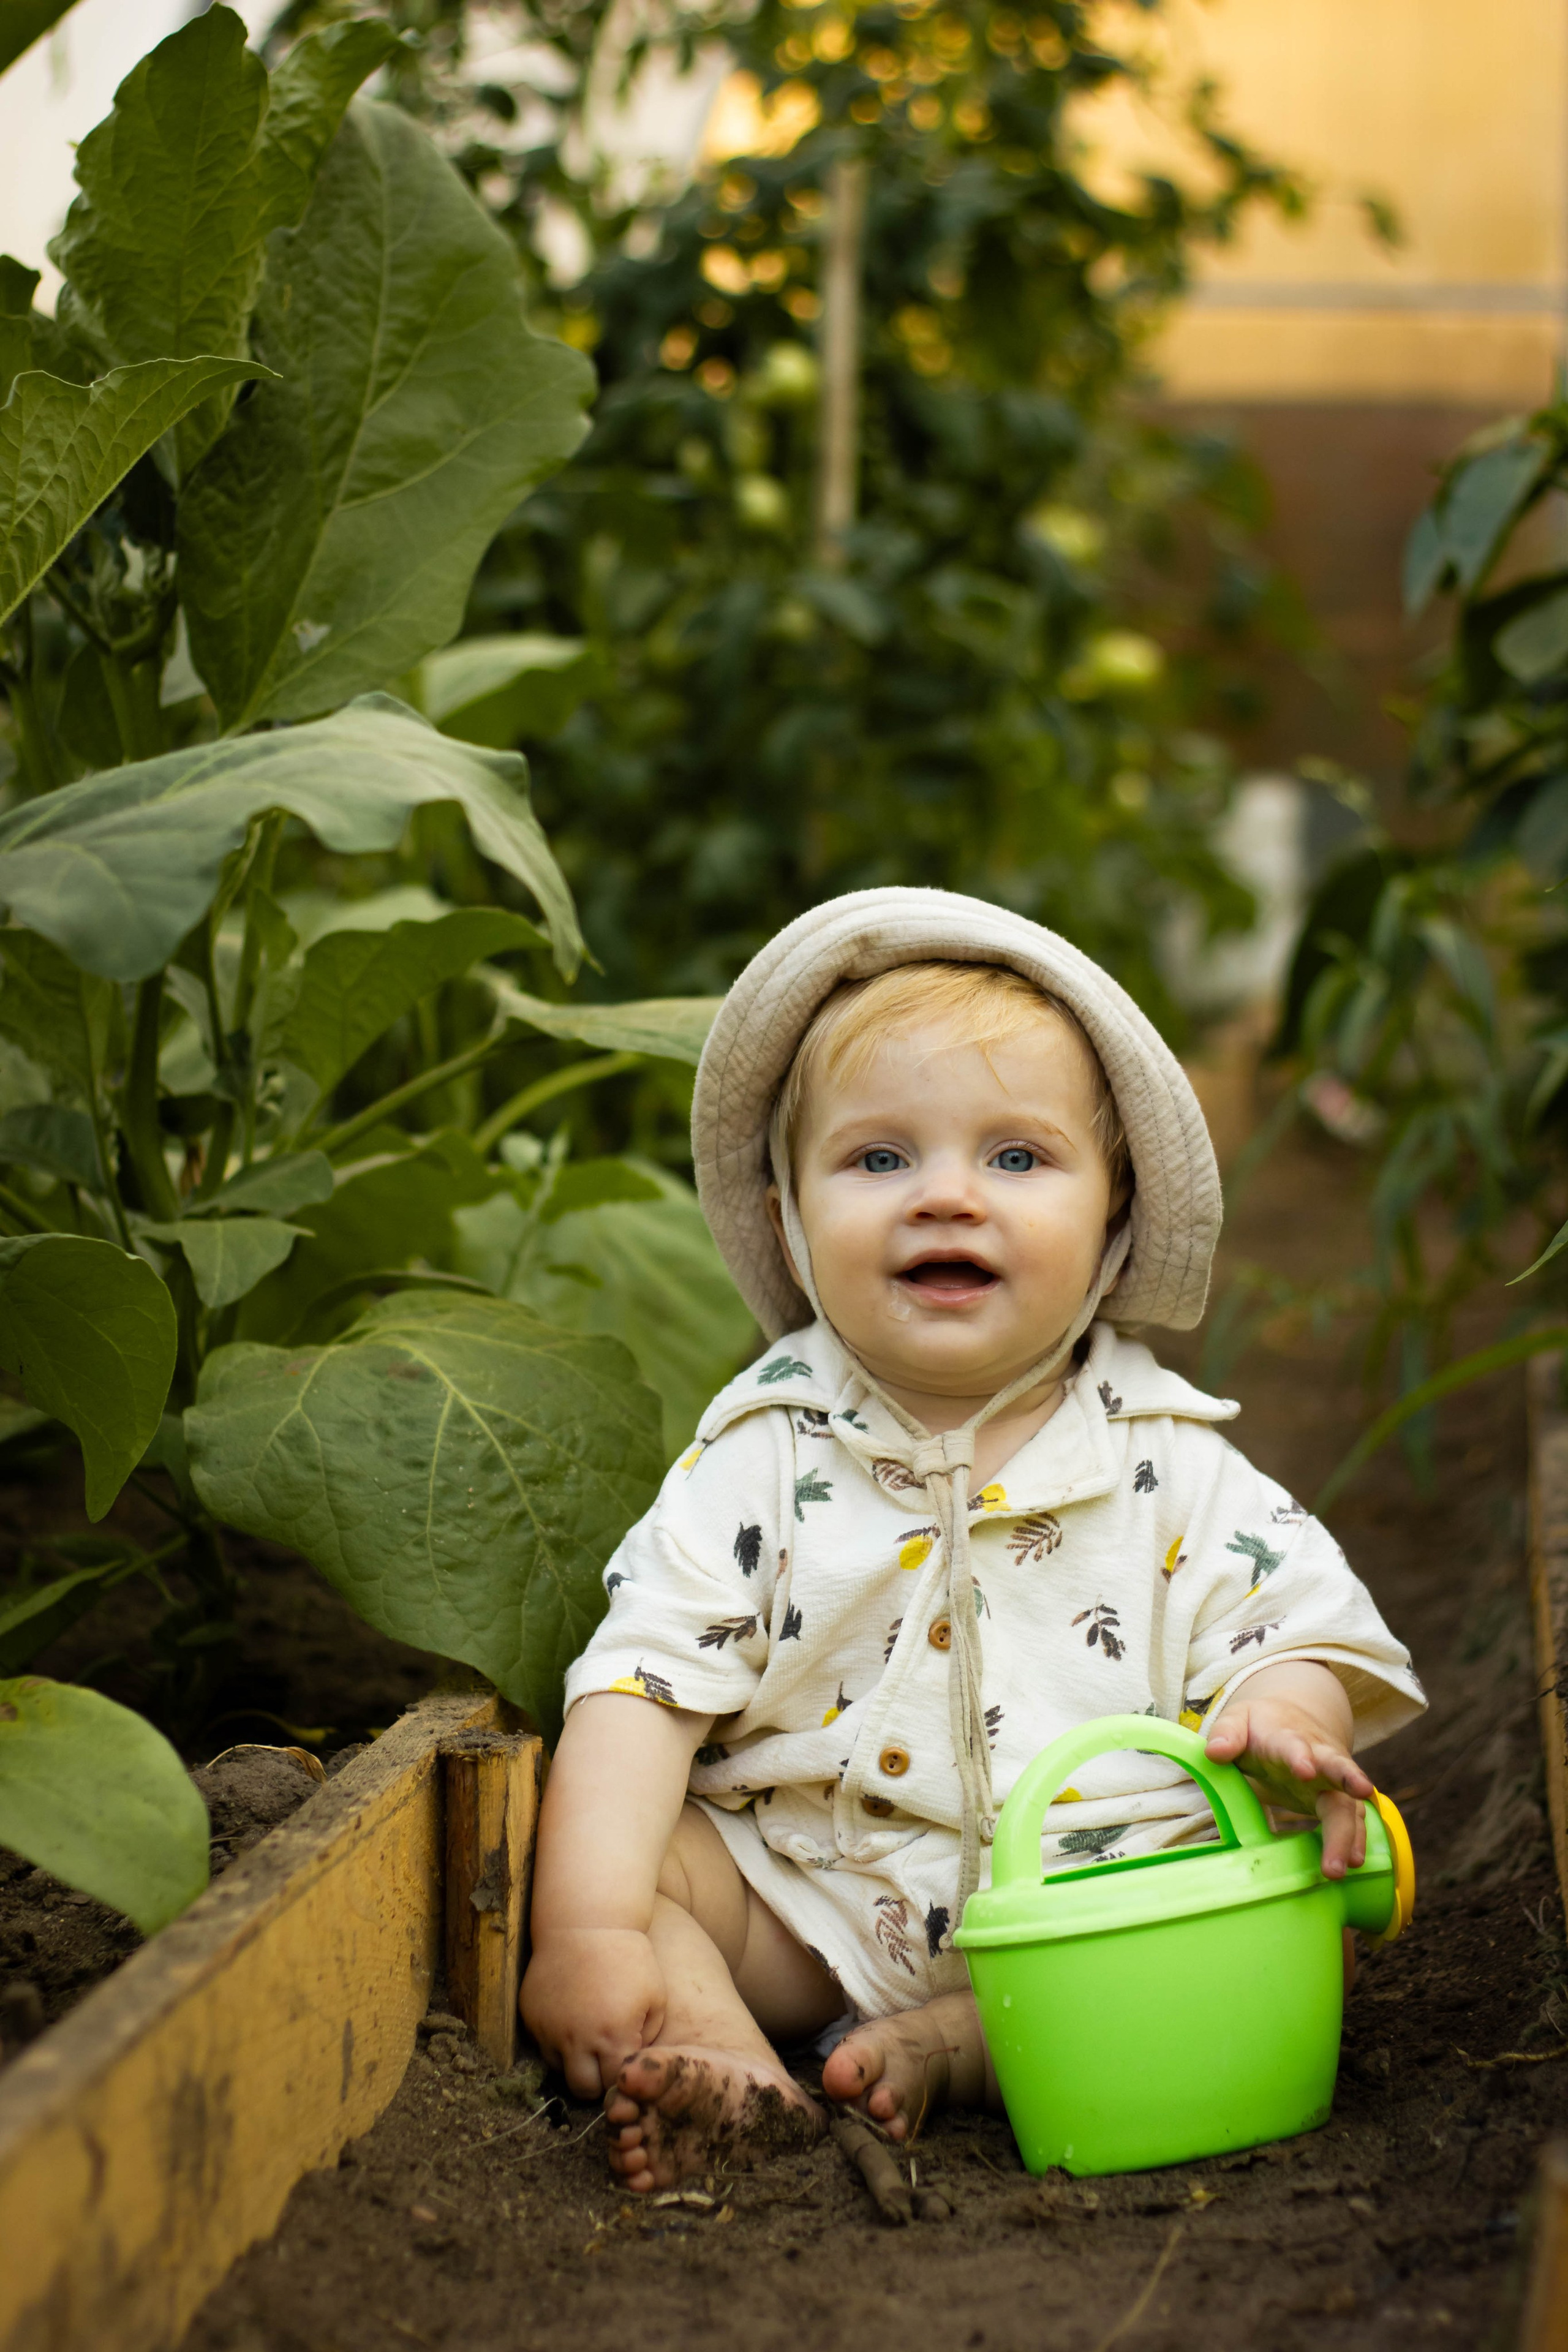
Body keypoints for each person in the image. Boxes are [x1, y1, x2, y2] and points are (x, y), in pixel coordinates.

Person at [520, 888, 1425, 2193]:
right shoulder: (758, 1460)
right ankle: (734, 2068)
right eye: (878, 1160)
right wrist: (592, 1925)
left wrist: (1285, 1714)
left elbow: (1295, 1630)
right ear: (788, 1220)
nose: (945, 1197)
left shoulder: (1165, 1460)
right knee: (648, 1863)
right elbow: (638, 1692)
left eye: (1015, 1158)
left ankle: (954, 2043)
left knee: (1297, 1917)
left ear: (1110, 1229)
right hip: (814, 1898)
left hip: (1096, 1898)